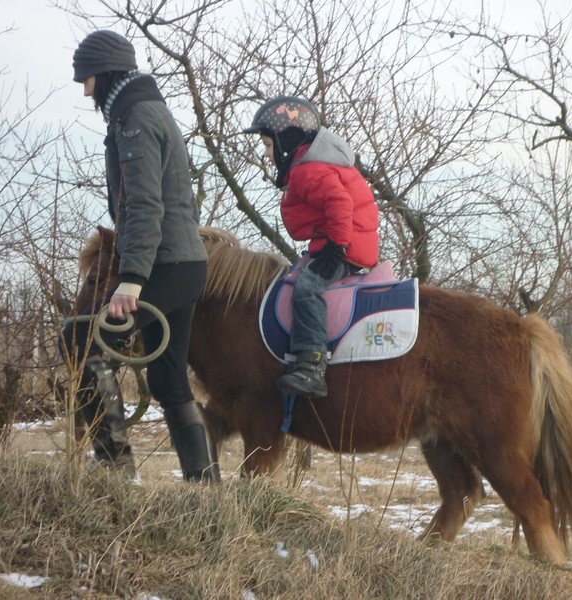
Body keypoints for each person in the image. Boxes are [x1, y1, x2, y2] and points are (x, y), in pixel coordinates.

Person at [61, 30, 219, 482]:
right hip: (181, 264)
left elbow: (144, 203)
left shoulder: (134, 116)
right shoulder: (142, 110)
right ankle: (206, 495)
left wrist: (130, 277)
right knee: (169, 382)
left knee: (79, 340)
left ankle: (114, 474)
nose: (85, 90)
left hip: (162, 267)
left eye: (87, 79)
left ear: (106, 73)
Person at [243, 96, 379, 398]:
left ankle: (312, 365)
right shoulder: (313, 165)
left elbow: (340, 203)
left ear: (286, 141)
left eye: (268, 145)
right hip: (338, 241)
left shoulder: (309, 169)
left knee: (307, 287)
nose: (267, 154)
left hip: (344, 246)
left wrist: (336, 248)